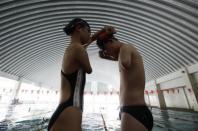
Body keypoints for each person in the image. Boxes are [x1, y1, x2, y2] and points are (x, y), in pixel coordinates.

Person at [96, 26, 153, 131]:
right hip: (133, 111)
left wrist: (110, 56)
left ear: (110, 41)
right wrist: (108, 57)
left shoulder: (125, 48)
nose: (107, 52)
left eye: (106, 49)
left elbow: (125, 63)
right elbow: (126, 62)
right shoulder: (126, 51)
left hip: (134, 111)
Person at [48, 18, 97, 131]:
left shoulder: (71, 49)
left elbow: (88, 42)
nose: (90, 35)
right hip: (70, 110)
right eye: (89, 31)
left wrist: (102, 31)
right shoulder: (78, 49)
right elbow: (89, 70)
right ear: (79, 28)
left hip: (65, 109)